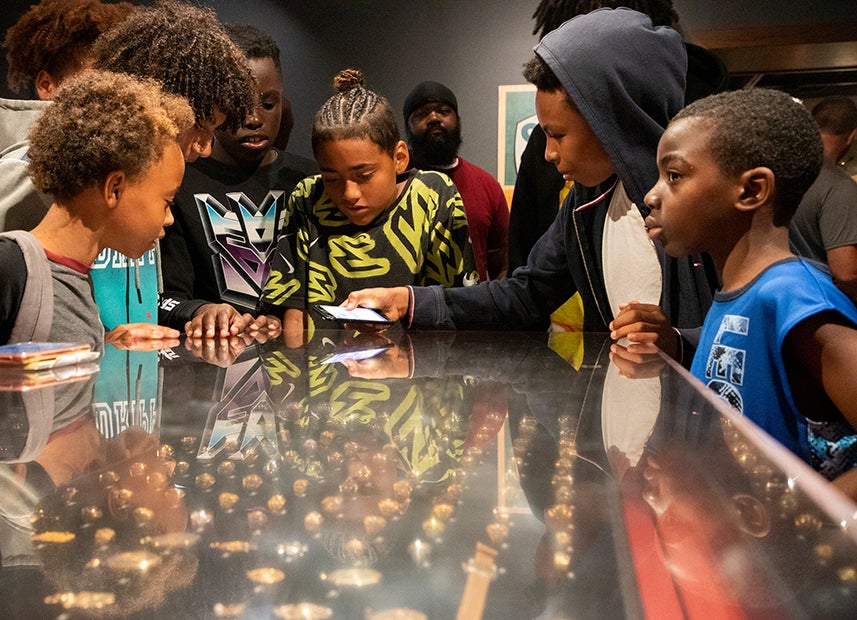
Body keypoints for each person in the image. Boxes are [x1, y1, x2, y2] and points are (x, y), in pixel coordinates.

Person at [344, 9, 715, 362]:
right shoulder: (584, 204)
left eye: (557, 135)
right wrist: (409, 301)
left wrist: (679, 343)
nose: (549, 154)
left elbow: (748, 326)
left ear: (613, 121)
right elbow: (526, 294)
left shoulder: (704, 203)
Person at [620, 87, 857, 487]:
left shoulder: (792, 298)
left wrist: (821, 520)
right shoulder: (738, 294)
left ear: (750, 190)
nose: (651, 195)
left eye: (674, 176)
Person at [0, 0, 258, 346]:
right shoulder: (41, 178)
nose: (206, 147)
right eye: (202, 127)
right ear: (160, 103)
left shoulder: (148, 186)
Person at [508, 0, 727, 275]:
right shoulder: (583, 194)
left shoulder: (705, 181)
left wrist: (673, 322)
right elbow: (529, 283)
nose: (550, 153)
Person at [260, 69, 477, 343]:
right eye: (332, 178)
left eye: (364, 176)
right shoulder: (308, 198)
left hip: (416, 376)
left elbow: (457, 305)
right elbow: (293, 313)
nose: (349, 193)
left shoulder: (435, 196)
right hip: (324, 378)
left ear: (399, 158)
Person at [0, 69, 192, 347]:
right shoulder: (10, 268)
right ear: (114, 188)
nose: (169, 218)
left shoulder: (76, 283)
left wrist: (105, 340)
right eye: (167, 202)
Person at [159, 23, 315, 338]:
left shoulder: (312, 182)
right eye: (238, 104)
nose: (254, 118)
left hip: (301, 371)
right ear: (212, 103)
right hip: (212, 370)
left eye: (269, 103)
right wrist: (201, 311)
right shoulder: (179, 182)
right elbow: (164, 297)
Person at [0, 0, 135, 228]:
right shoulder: (21, 170)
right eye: (95, 86)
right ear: (46, 85)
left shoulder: (132, 163)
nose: (114, 98)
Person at [403, 81, 509, 281]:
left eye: (443, 111)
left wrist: (496, 309)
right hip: (408, 306)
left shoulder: (487, 185)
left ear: (458, 120)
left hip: (472, 308)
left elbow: (501, 260)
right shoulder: (392, 181)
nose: (434, 118)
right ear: (408, 128)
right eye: (421, 114)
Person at [789, 96, 857, 302]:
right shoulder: (839, 186)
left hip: (782, 302)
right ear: (851, 136)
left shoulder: (780, 175)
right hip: (819, 307)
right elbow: (846, 274)